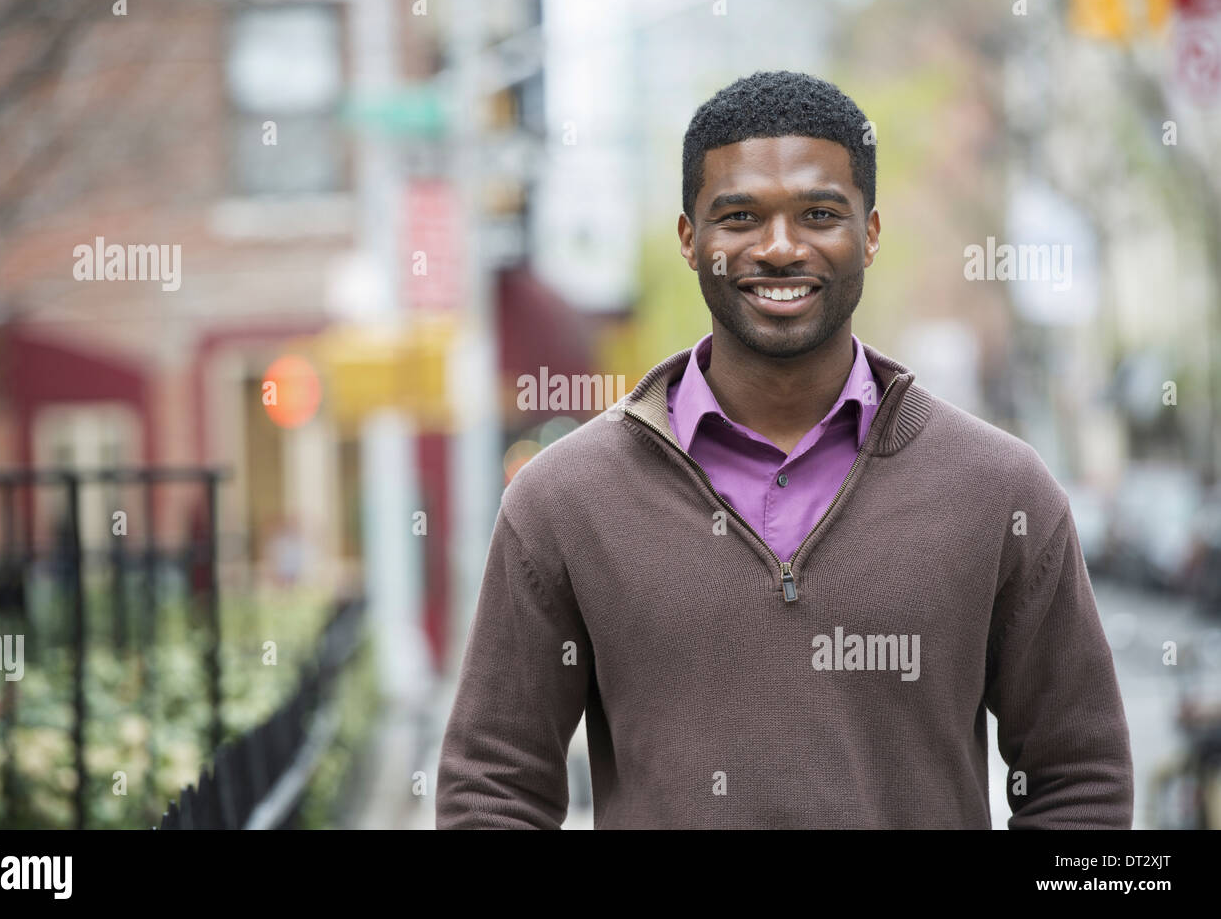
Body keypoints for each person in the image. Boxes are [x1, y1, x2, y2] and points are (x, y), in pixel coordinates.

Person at [436, 71, 1134, 829]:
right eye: (739, 216)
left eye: (819, 213)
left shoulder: (1001, 490)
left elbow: (1079, 779)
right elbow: (492, 789)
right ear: (689, 239)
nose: (778, 247)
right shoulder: (563, 501)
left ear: (869, 233)